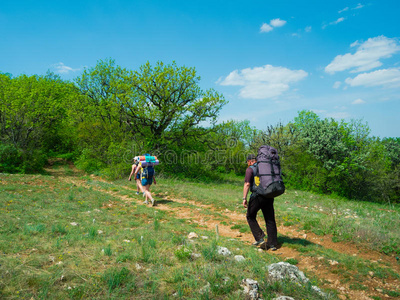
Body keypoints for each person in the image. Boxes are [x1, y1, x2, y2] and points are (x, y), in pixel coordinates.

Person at [243, 154, 278, 251]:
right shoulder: (266, 167)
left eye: (247, 162)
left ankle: (259, 238)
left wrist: (244, 198)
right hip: (269, 195)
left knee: (250, 216)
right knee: (270, 219)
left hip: (257, 196)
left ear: (250, 161)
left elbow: (247, 184)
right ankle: (273, 244)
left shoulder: (250, 169)